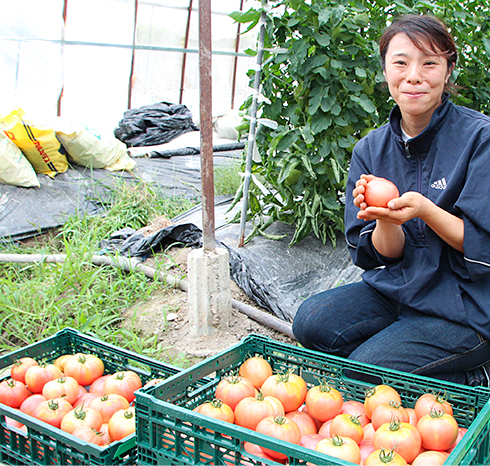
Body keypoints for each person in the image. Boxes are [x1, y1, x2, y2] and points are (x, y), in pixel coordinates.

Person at [292, 13, 490, 387]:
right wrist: (387, 219)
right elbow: (381, 255)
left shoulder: (480, 139)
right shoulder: (371, 149)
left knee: (361, 371)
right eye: (400, 62)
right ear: (385, 70)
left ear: (448, 71)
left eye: (430, 63)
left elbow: (482, 242)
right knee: (311, 322)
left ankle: (474, 375)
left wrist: (427, 211)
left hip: (465, 304)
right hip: (403, 288)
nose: (414, 75)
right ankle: (406, 361)